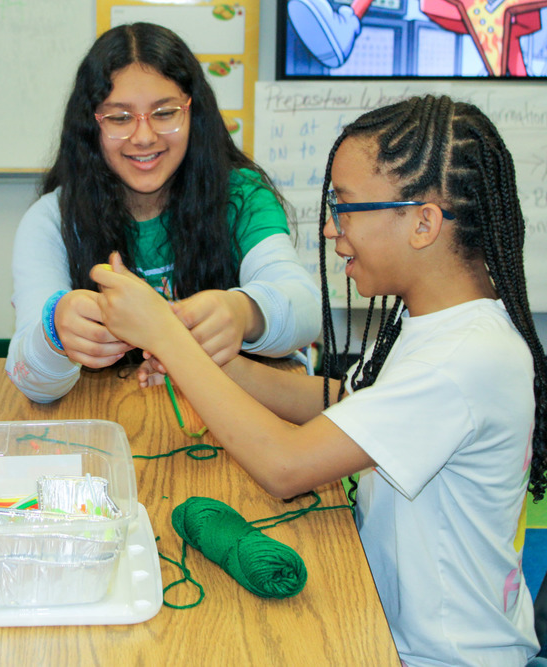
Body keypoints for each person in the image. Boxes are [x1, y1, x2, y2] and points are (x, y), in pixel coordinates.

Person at [92, 94, 546, 665]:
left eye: (347, 207)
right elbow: (339, 403)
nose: (331, 229)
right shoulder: (436, 321)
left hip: (439, 657)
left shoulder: (464, 360)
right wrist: (207, 360)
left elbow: (288, 464)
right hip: (392, 623)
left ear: (424, 222)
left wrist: (171, 342)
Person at [5, 22, 320, 403]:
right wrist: (55, 332)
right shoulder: (51, 219)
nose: (143, 136)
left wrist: (243, 311)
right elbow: (27, 378)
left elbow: (305, 309)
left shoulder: (241, 196)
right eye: (120, 118)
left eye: (165, 113)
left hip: (235, 426)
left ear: (193, 112)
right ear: (91, 125)